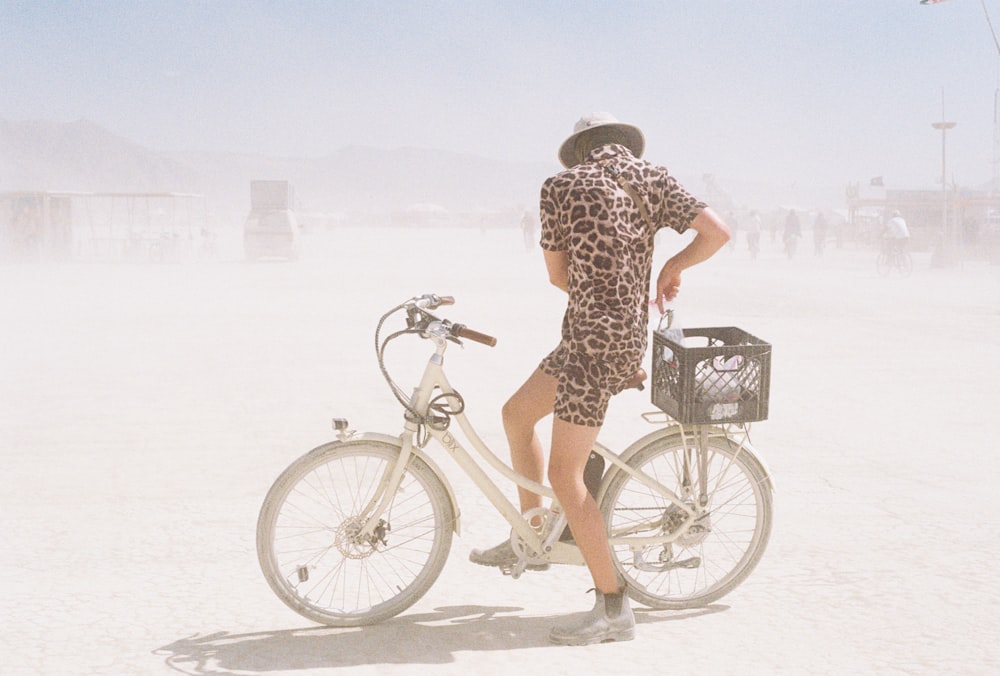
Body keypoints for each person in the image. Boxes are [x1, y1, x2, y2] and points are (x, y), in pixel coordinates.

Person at [469, 112, 730, 645]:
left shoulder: (560, 187)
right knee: (516, 415)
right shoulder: (654, 178)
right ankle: (534, 536)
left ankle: (614, 608)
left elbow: (556, 274)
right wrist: (669, 269)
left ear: (579, 148)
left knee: (566, 476)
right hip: (608, 338)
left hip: (592, 344)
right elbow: (718, 233)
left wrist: (598, 294)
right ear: (621, 145)